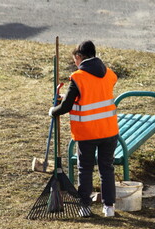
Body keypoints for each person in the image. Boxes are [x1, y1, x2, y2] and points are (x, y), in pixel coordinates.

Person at [49, 40, 119, 217]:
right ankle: (109, 208)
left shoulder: (78, 77)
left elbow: (65, 107)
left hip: (87, 133)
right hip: (109, 130)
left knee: (85, 170)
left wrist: (53, 111)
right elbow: (94, 95)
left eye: (75, 60)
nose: (75, 64)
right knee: (107, 168)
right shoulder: (109, 74)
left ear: (79, 57)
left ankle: (85, 206)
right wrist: (69, 96)